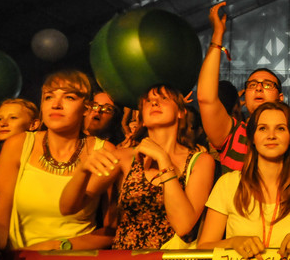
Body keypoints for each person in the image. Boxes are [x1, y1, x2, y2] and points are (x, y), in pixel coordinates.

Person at [0, 70, 114, 260]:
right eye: (49, 97)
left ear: (87, 108)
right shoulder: (18, 144)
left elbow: (112, 230)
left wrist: (57, 245)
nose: (56, 104)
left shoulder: (104, 150)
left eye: (69, 97)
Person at [60, 85, 215, 249]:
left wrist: (163, 160)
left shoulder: (200, 161)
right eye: (149, 101)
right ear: (141, 116)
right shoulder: (125, 157)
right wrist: (82, 171)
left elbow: (184, 225)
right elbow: (68, 207)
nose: (154, 103)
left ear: (180, 112)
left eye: (163, 98)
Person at [197, 1, 290, 173]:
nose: (259, 88)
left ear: (280, 98)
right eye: (252, 85)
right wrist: (217, 35)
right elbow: (206, 98)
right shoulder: (232, 134)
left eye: (267, 85)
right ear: (245, 96)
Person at [197, 102, 290, 258]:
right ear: (252, 137)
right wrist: (233, 243)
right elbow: (203, 248)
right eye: (262, 128)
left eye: (281, 128)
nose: (271, 135)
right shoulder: (228, 183)